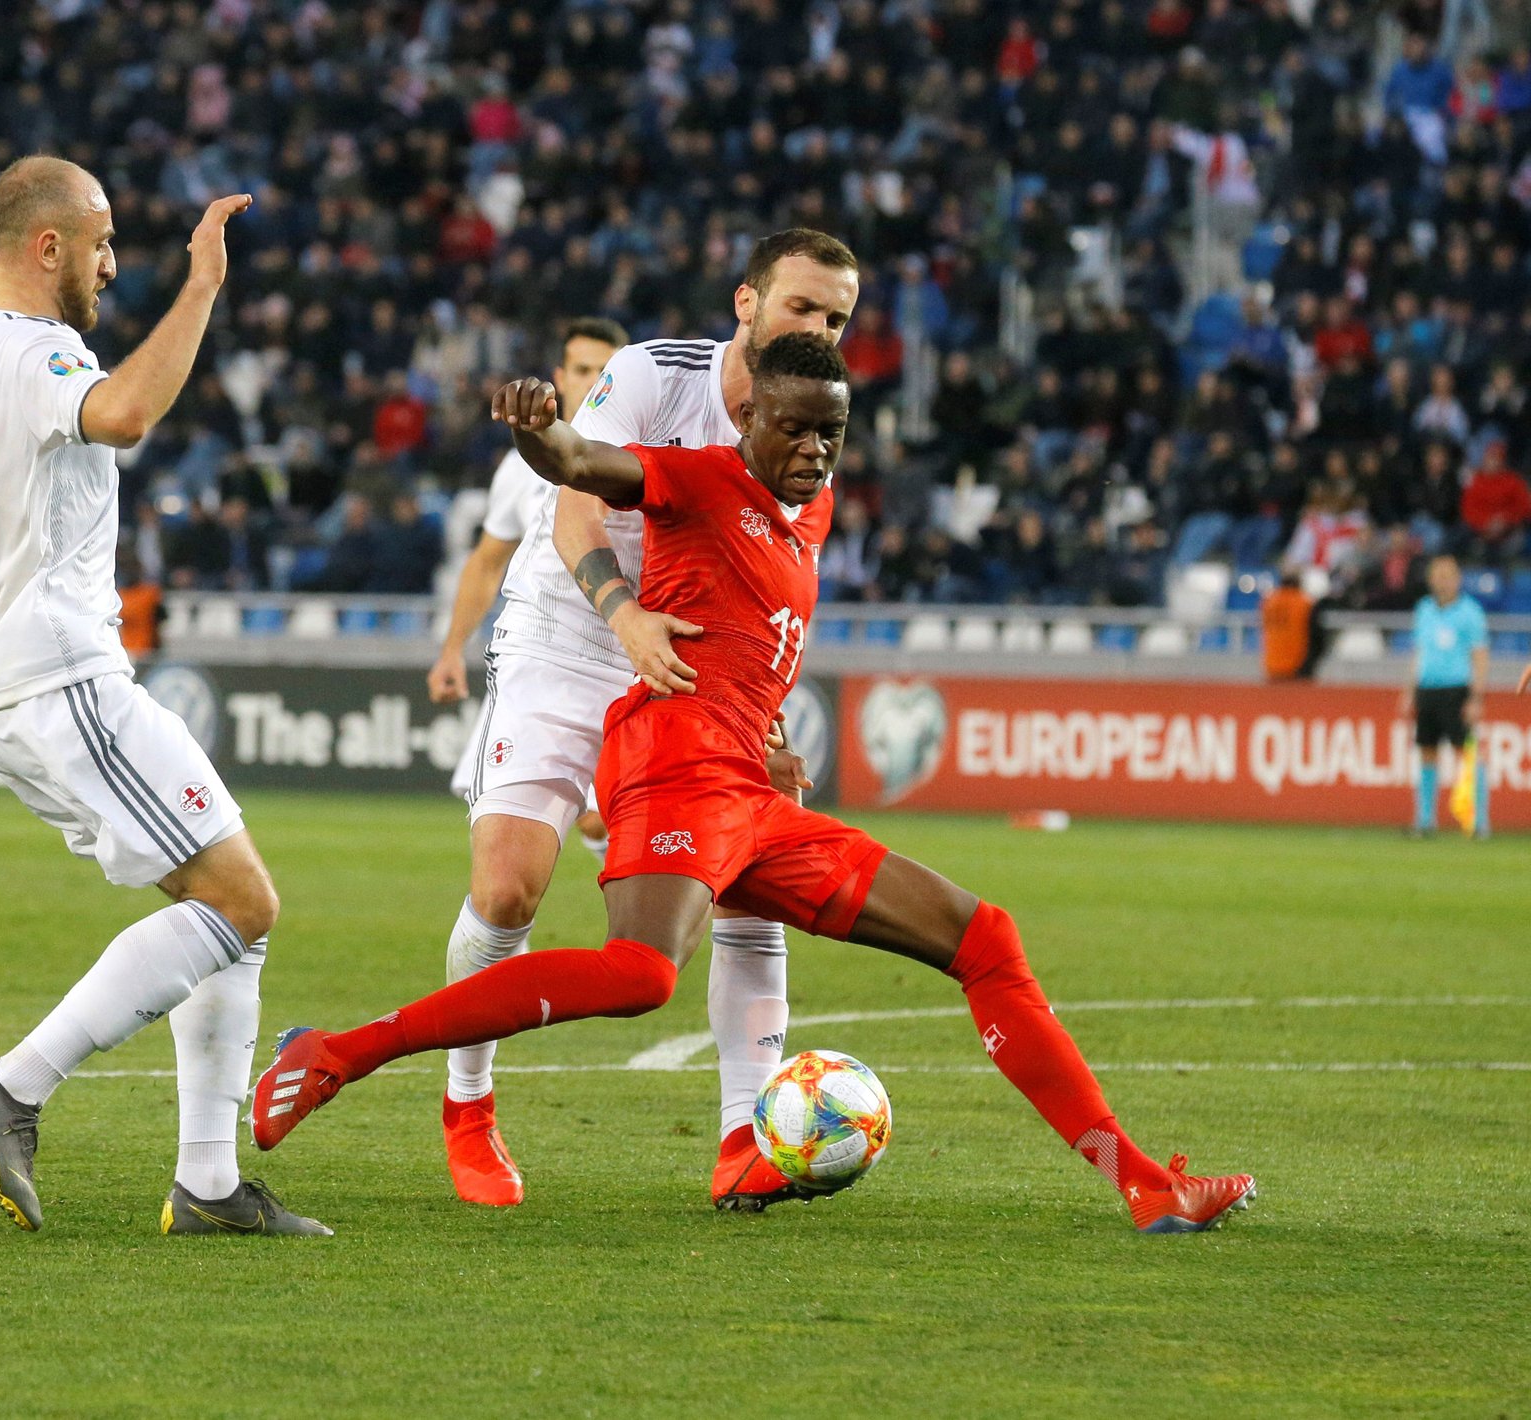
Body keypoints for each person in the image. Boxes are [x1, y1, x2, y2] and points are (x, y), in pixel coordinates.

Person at [251, 333, 1257, 1236]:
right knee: (642, 973)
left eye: (832, 432)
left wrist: (769, 729)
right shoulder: (696, 478)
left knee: (982, 935)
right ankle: (339, 1051)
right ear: (747, 418)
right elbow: (585, 467)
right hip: (670, 764)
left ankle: (1138, 1181)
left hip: (748, 792)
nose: (816, 450)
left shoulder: (803, 520)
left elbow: (747, 637)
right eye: (796, 429)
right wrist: (540, 434)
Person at [0, 156, 325, 1237]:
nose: (109, 262)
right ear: (45, 245)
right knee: (244, 904)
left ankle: (209, 1184)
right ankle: (16, 1085)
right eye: (98, 242)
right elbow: (127, 412)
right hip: (63, 673)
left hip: (5, 684)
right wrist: (203, 284)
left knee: (228, 911)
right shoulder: (42, 352)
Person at [435, 230, 860, 1212]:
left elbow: (772, 594)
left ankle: (743, 1138)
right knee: (505, 891)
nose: (818, 330)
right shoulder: (651, 376)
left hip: (688, 669)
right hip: (569, 637)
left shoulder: (807, 436)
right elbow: (572, 502)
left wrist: (760, 718)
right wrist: (621, 614)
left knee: (744, 882)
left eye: (836, 318)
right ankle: (467, 1103)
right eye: (801, 308)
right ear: (746, 303)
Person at [433, 319, 626, 974]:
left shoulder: (647, 454)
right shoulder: (523, 467)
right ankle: (470, 1063)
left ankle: (630, 927)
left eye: (605, 369)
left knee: (609, 830)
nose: (590, 381)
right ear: (561, 374)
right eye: (578, 368)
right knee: (504, 889)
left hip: (630, 671)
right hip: (542, 666)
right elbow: (487, 562)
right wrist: (450, 649)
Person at [1402, 555, 1489, 838]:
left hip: (1456, 689)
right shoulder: (1424, 609)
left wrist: (1476, 698)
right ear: (1430, 579)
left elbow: (1480, 657)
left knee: (1467, 754)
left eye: (1448, 575)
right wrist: (1410, 690)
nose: (1442, 581)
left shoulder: (1470, 613)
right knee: (1427, 752)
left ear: (1458, 579)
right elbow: (1419, 653)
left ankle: (1477, 820)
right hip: (1428, 688)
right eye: (1438, 575)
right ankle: (1425, 820)